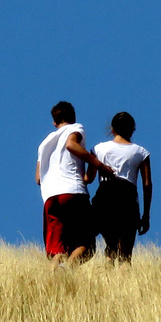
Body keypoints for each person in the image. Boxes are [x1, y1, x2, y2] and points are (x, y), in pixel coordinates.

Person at [35, 101, 113, 263]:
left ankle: (54, 281)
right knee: (86, 244)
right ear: (73, 116)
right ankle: (69, 271)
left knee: (58, 250)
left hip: (50, 198)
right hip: (72, 191)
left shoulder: (44, 144)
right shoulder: (75, 128)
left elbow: (38, 178)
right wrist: (98, 164)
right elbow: (70, 144)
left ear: (54, 123)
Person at [89, 111, 151, 262]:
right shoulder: (141, 152)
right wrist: (146, 215)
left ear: (112, 129)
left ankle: (107, 281)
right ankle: (123, 283)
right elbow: (147, 184)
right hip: (127, 197)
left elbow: (88, 178)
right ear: (132, 129)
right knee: (125, 254)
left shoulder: (98, 149)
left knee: (111, 248)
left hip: (105, 195)